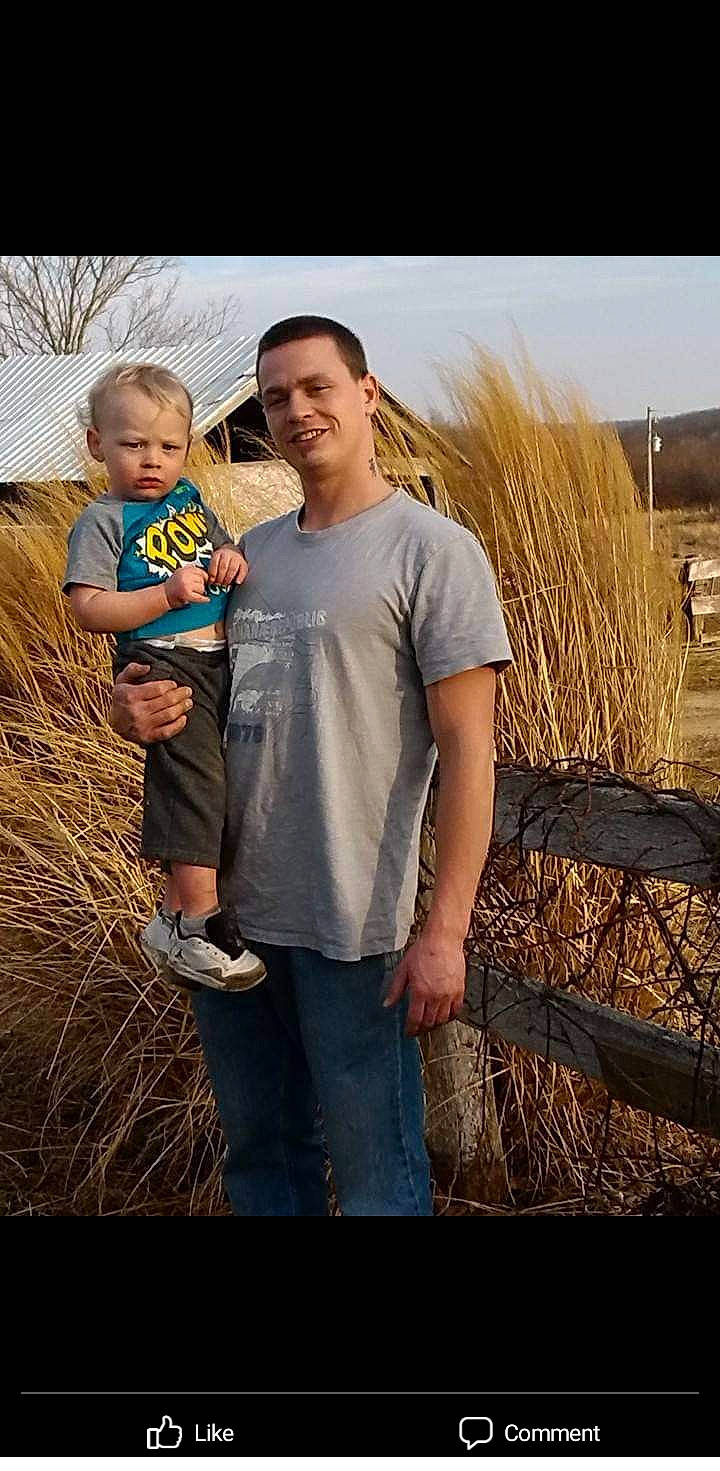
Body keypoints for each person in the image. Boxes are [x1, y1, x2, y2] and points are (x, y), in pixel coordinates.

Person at [110, 317, 514, 1216]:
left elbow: (470, 758)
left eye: (317, 386)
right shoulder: (242, 554)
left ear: (367, 394)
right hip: (229, 926)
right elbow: (177, 683)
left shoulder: (433, 552)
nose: (297, 409)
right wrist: (128, 707)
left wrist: (443, 932)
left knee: (380, 1180)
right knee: (263, 1164)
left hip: (353, 927)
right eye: (278, 394)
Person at [62, 361, 266, 992]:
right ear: (98, 445)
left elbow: (218, 548)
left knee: (212, 779)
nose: (152, 460)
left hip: (215, 658)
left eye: (169, 446)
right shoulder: (103, 520)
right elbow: (87, 608)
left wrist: (229, 557)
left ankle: (174, 917)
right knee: (194, 782)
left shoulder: (189, 501)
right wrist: (166, 597)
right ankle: (201, 924)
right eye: (133, 445)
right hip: (163, 659)